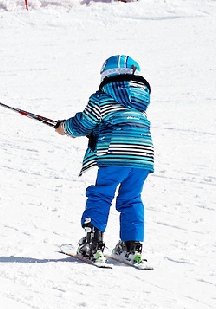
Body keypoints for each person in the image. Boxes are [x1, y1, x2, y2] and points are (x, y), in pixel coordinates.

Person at [55, 55, 154, 265]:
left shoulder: (102, 97)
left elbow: (85, 122)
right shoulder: (140, 101)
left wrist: (65, 128)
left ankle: (92, 245)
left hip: (116, 154)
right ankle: (131, 247)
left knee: (102, 194)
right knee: (132, 198)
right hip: (143, 156)